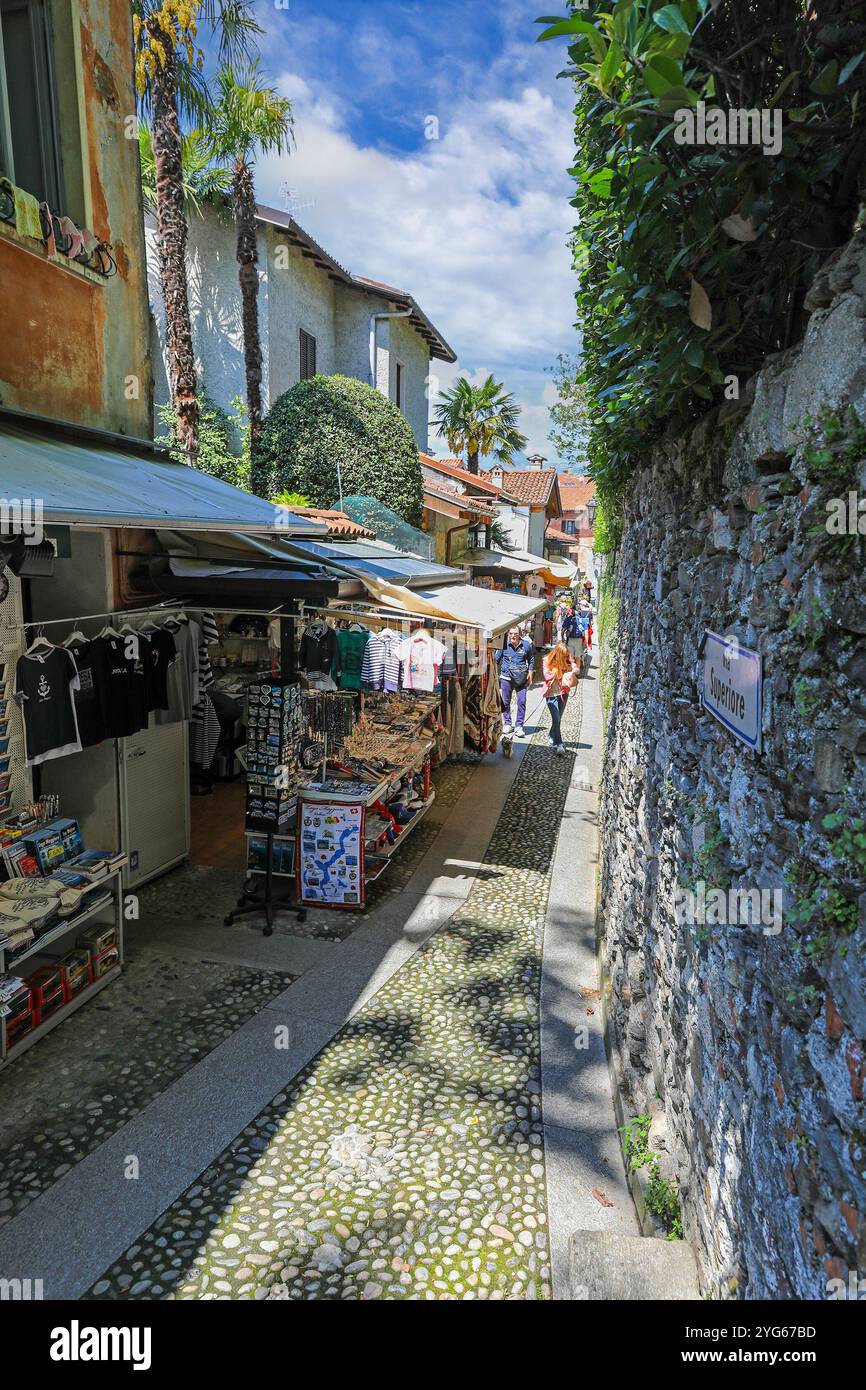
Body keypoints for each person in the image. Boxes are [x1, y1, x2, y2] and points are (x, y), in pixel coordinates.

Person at [495, 625, 533, 737]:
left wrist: (530, 672)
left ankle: (519, 726)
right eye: (510, 633)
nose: (512, 636)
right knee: (505, 702)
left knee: (521, 701)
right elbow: (496, 659)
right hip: (506, 677)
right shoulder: (504, 645)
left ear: (519, 634)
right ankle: (507, 723)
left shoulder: (526, 645)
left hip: (521, 678)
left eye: (515, 634)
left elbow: (531, 659)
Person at [542, 642, 578, 754]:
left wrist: (574, 668)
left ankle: (552, 735)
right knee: (556, 718)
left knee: (558, 718)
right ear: (557, 654)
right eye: (563, 656)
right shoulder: (546, 660)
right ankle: (559, 744)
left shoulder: (567, 658)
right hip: (551, 694)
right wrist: (556, 670)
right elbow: (546, 676)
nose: (566, 658)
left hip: (563, 693)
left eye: (567, 656)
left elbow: (575, 666)